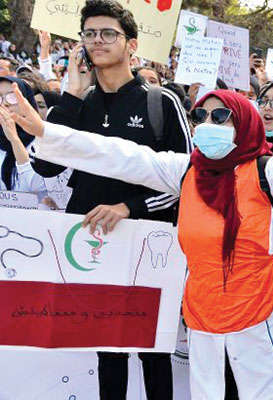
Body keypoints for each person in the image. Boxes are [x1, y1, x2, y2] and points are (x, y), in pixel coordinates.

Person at [9, 83, 273, 400]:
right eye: (200, 116)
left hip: (262, 318)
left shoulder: (268, 173)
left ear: (243, 123)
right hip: (206, 317)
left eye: (220, 118)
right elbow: (120, 155)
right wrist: (47, 132)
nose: (207, 125)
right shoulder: (186, 171)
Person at [29, 1, 192, 398]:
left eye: (108, 33)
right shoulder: (77, 103)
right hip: (91, 246)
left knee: (152, 350)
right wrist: (69, 97)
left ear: (131, 44)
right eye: (89, 34)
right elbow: (44, 167)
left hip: (149, 247)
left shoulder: (160, 102)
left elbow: (189, 179)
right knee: (108, 352)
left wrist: (129, 208)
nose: (97, 41)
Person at [0, 77, 45, 195]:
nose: (5, 103)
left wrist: (14, 139)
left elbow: (38, 185)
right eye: (0, 97)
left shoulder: (43, 139)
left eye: (12, 96)